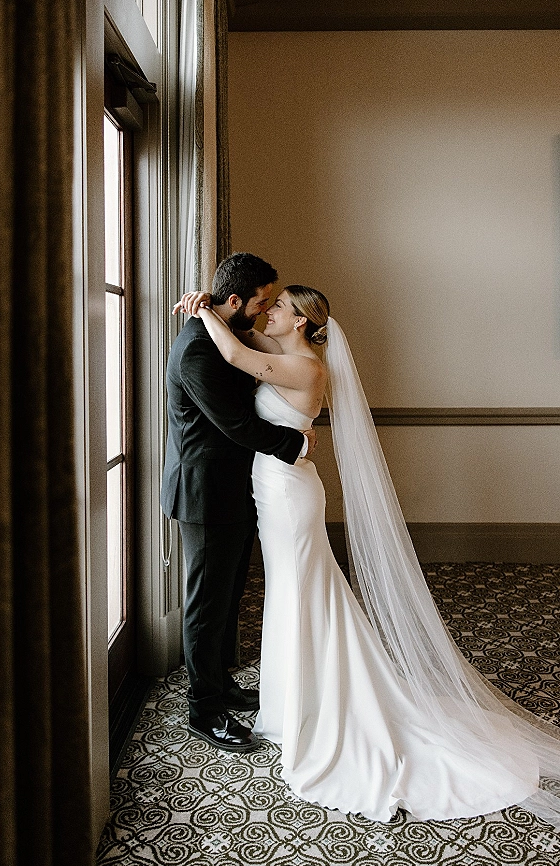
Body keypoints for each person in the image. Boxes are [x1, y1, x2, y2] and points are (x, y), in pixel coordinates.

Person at [176, 282, 560, 824]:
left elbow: (235, 353)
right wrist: (212, 309)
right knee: (293, 591)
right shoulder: (284, 354)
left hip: (289, 495)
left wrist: (199, 309)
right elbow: (239, 348)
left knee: (302, 588)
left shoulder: (307, 368)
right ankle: (294, 700)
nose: (270, 311)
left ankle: (320, 702)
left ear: (303, 323)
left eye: (280, 306)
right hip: (274, 487)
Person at [161, 253, 316, 754]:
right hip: (205, 493)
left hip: (236, 488)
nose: (265, 309)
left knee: (227, 597)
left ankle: (223, 684)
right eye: (261, 301)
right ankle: (204, 710)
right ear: (236, 301)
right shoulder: (198, 352)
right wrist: (299, 446)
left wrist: (204, 307)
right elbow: (239, 426)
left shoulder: (221, 333)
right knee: (206, 605)